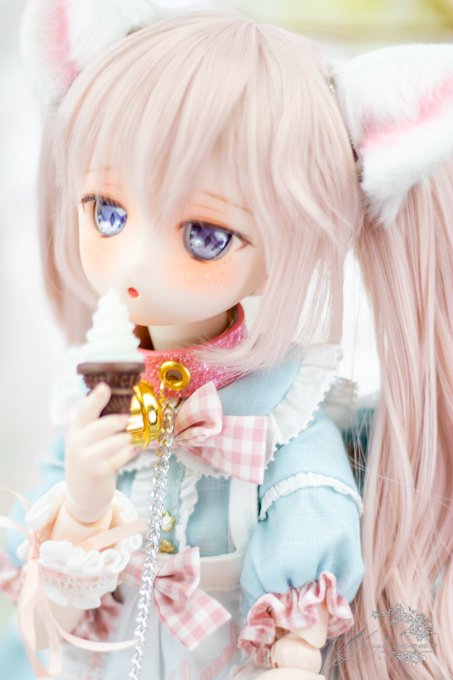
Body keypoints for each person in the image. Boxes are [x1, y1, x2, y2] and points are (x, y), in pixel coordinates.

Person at [1, 3, 452, 679]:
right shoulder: (93, 391)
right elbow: (42, 622)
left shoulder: (281, 414)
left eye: (205, 236)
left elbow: (303, 600)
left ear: (287, 248)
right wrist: (84, 504)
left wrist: (292, 654)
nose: (132, 264)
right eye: (108, 212)